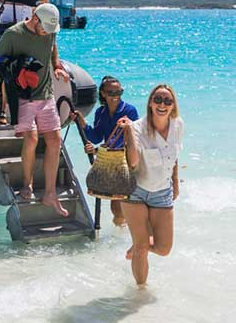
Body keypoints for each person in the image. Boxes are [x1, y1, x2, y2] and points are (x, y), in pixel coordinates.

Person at [0, 3, 70, 217]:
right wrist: (15, 70)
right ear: (34, 18)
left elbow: (52, 49)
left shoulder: (50, 32)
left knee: (55, 140)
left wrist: (58, 67)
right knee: (32, 138)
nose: (47, 33)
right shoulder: (13, 34)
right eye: (44, 28)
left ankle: (51, 194)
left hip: (45, 94)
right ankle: (28, 184)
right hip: (22, 97)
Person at [119, 84, 183, 286]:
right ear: (150, 103)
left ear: (173, 106)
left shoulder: (178, 125)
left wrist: (175, 182)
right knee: (141, 247)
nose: (162, 104)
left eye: (167, 101)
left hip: (162, 192)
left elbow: (175, 156)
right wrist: (129, 131)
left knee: (164, 248)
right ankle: (139, 294)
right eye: (157, 99)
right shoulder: (138, 127)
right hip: (135, 191)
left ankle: (140, 245)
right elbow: (134, 162)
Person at [71, 76, 140, 226]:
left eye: (119, 92)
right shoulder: (100, 112)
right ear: (103, 93)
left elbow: (130, 140)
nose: (115, 96)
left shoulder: (130, 111)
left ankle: (129, 235)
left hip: (128, 162)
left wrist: (96, 151)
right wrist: (82, 122)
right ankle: (121, 238)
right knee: (116, 208)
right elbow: (96, 137)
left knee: (121, 205)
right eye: (111, 92)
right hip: (113, 164)